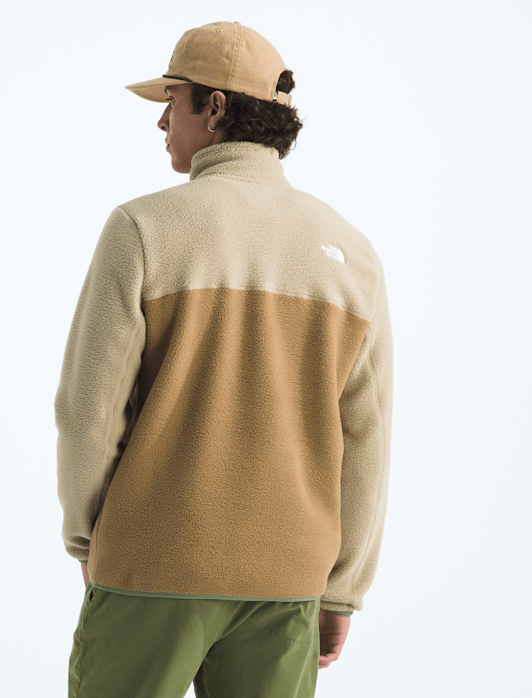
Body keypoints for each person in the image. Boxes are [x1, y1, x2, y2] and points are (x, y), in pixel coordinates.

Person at [55, 20, 393, 698]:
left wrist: (89, 540)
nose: (161, 121)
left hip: (152, 564)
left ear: (214, 108)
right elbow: (366, 438)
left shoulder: (142, 229)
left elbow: (88, 412)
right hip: (287, 580)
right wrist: (342, 589)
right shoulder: (352, 253)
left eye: (171, 100)